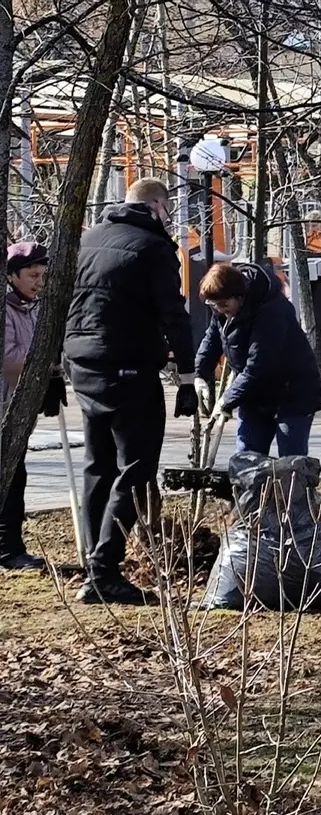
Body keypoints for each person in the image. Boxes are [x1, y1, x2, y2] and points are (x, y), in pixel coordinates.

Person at [63, 175, 196, 604]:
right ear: (157, 206)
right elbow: (174, 313)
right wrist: (188, 376)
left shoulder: (89, 239)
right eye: (168, 210)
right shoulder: (154, 247)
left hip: (83, 363)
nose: (169, 218)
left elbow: (66, 301)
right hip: (129, 366)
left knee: (98, 466)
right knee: (136, 469)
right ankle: (104, 572)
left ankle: (93, 566)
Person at [193, 261, 321, 458]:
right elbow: (212, 340)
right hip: (254, 396)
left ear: (240, 297)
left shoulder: (272, 311)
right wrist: (199, 375)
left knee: (291, 460)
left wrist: (227, 400)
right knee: (247, 458)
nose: (220, 310)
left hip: (293, 393)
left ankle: (293, 479)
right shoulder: (222, 310)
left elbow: (259, 365)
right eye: (214, 305)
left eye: (224, 304)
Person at [1, 241, 48, 570]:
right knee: (12, 476)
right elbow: (10, 362)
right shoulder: (5, 310)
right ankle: (8, 549)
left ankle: (10, 546)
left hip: (17, 407)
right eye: (32, 275)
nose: (39, 282)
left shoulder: (34, 308)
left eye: (42, 275)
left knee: (16, 475)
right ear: (13, 275)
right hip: (4, 408)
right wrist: (44, 363)